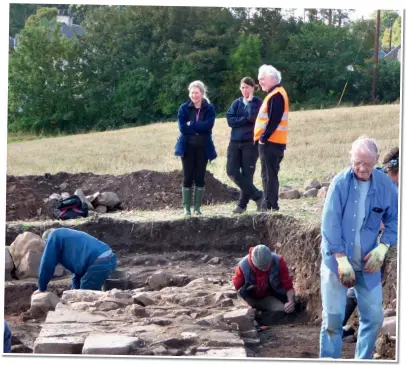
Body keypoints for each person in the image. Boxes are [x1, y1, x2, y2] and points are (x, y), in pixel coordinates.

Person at [319, 136, 398, 359]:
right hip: (337, 262)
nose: (362, 168)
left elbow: (395, 220)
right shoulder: (340, 184)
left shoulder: (385, 185)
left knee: (373, 317)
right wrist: (340, 258)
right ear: (350, 158)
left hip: (367, 263)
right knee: (333, 320)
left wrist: (383, 247)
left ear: (377, 159)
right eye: (357, 163)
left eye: (367, 163)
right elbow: (330, 223)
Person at [341, 146, 399, 343]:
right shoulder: (378, 182)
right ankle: (339, 324)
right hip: (365, 243)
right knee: (361, 279)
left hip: (380, 241)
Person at [175, 80, 217, 216]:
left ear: (202, 93)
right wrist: (199, 128)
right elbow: (182, 128)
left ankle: (197, 208)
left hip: (203, 147)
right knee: (188, 176)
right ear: (189, 93)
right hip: (187, 147)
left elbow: (208, 126)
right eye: (192, 93)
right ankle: (187, 209)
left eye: (197, 93)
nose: (194, 95)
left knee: (200, 177)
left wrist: (191, 124)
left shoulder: (209, 108)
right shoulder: (183, 108)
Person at [34, 228, 117, 294]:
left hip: (100, 261)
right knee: (80, 292)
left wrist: (41, 288)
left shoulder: (53, 236)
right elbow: (78, 273)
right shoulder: (66, 239)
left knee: (86, 292)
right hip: (108, 257)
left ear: (47, 241)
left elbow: (47, 263)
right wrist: (74, 291)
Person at [226, 77, 264, 214]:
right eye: (242, 87)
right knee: (231, 171)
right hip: (235, 142)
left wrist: (248, 104)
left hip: (250, 143)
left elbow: (253, 118)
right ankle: (258, 195)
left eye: (247, 87)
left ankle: (242, 205)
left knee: (247, 174)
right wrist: (244, 120)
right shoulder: (236, 103)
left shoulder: (258, 103)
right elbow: (230, 120)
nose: (244, 90)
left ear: (253, 88)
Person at [254, 64, 289, 212]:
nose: (260, 82)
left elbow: (274, 119)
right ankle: (269, 204)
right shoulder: (274, 94)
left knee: (269, 174)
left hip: (271, 142)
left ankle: (270, 205)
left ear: (272, 78)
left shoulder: (277, 95)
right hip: (272, 141)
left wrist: (264, 137)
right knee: (267, 173)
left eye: (262, 79)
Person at [232, 244, 296, 315]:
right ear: (253, 263)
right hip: (248, 299)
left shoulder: (278, 261)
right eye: (261, 268)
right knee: (249, 315)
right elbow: (234, 290)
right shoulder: (242, 266)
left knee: (283, 311)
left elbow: (288, 286)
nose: (265, 269)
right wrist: (247, 307)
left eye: (267, 266)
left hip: (268, 298)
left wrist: (291, 302)